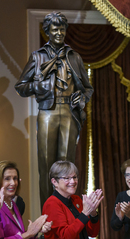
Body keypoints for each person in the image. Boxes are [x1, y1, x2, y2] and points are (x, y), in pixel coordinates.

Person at [15, 12, 94, 209]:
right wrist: (38, 87)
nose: (59, 33)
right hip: (47, 112)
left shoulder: (74, 57)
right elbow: (21, 87)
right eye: (54, 29)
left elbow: (87, 87)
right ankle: (48, 215)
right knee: (46, 165)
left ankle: (67, 214)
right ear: (47, 31)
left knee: (67, 166)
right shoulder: (38, 56)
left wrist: (82, 97)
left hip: (69, 111)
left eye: (62, 29)